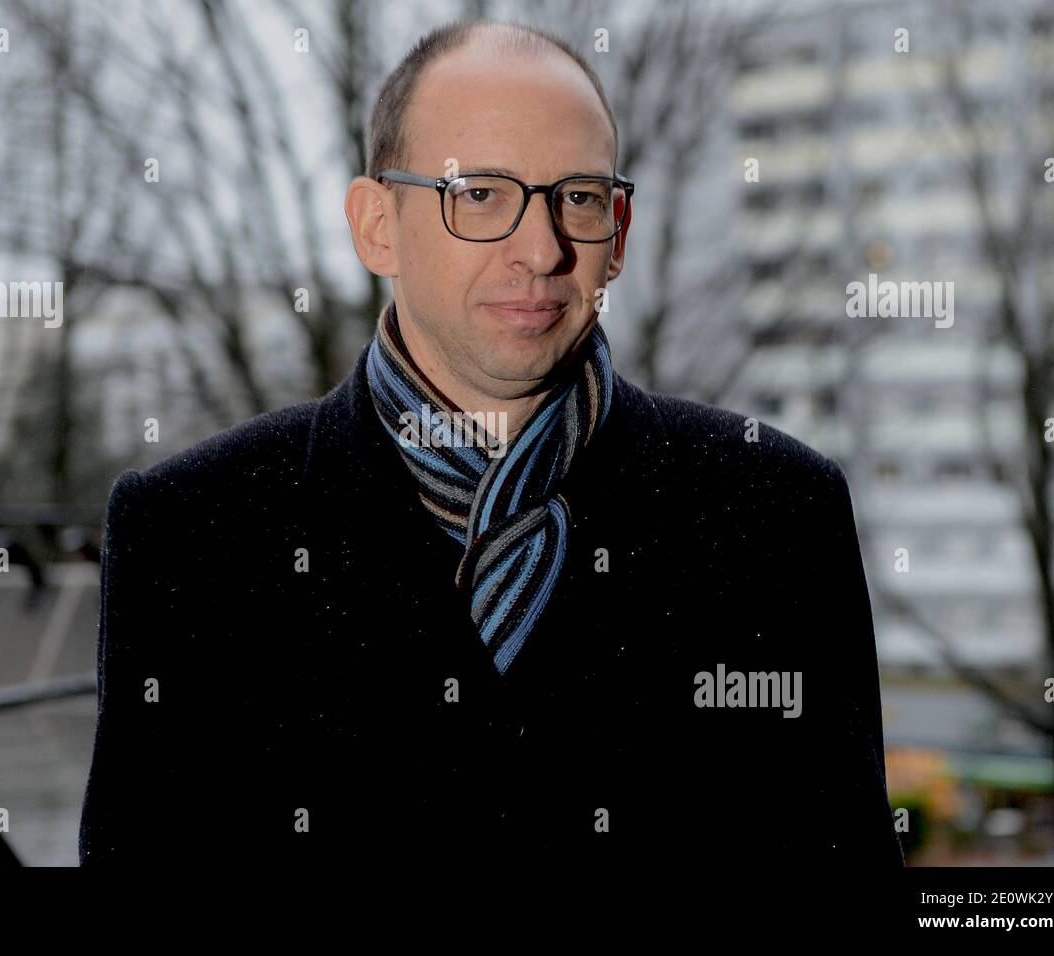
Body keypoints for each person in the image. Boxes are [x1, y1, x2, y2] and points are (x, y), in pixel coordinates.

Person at [78, 19, 904, 865]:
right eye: (478, 193)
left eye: (578, 197)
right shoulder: (191, 533)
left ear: (616, 234)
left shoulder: (773, 514)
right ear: (375, 225)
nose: (542, 249)